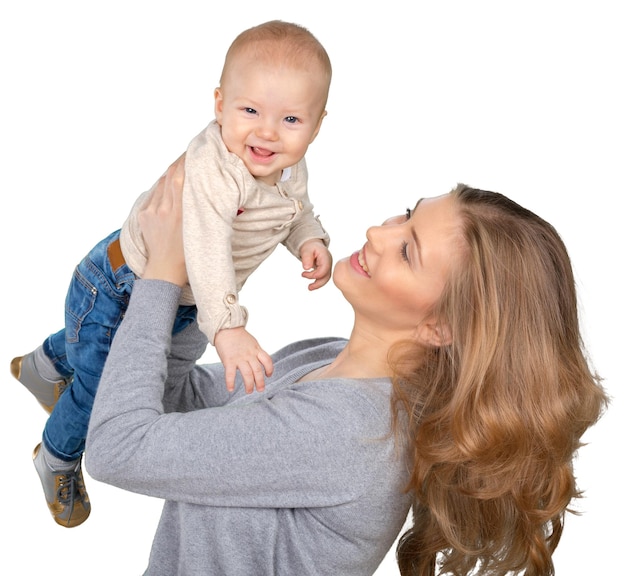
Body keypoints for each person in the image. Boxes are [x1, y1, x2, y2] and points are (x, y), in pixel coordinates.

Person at [82, 159, 606, 576]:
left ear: (440, 328)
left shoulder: (347, 431)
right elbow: (179, 401)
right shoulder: (329, 361)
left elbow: (116, 447)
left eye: (408, 251)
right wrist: (212, 276)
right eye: (406, 214)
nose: (379, 232)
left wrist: (165, 275)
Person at [9, 20, 333, 528]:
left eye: (290, 118)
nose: (267, 131)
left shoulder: (287, 167)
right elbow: (202, 248)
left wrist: (310, 238)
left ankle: (45, 364)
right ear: (219, 102)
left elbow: (294, 208)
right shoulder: (216, 171)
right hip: (120, 288)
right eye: (250, 110)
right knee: (101, 391)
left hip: (176, 301)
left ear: (317, 124)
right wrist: (228, 326)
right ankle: (56, 456)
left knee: (97, 354)